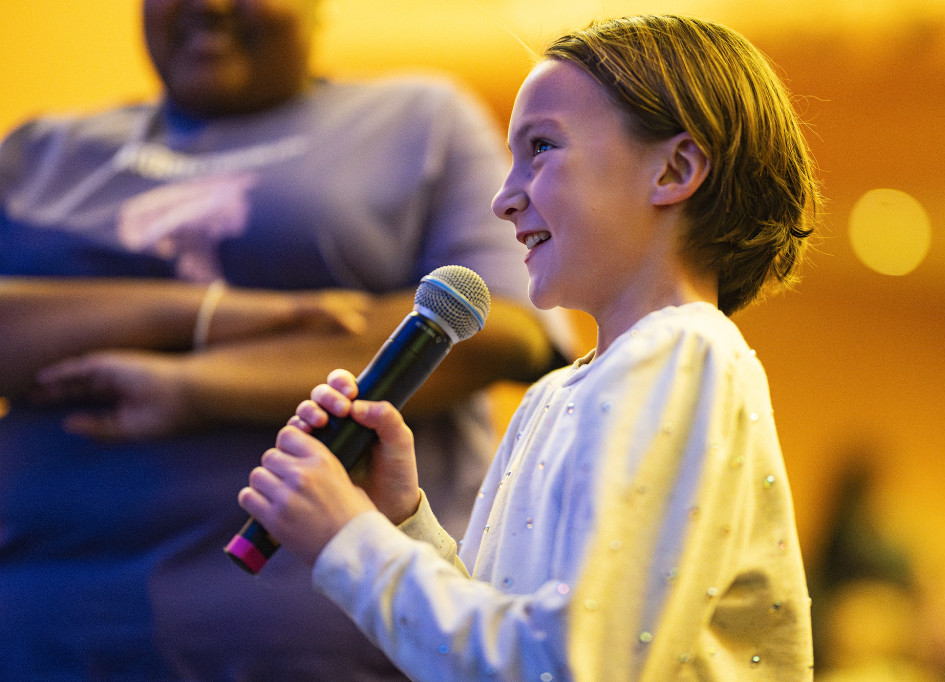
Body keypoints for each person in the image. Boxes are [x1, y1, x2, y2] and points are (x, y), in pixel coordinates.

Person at [239, 13, 822, 682]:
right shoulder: (556, 394)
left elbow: (571, 665)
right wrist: (398, 520)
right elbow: (507, 642)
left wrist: (351, 542)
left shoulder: (683, 350)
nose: (502, 199)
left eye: (541, 147)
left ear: (676, 169)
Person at [0, 0, 565, 679]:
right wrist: (217, 315)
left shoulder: (418, 120)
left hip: (324, 641)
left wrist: (190, 388)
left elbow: (497, 326)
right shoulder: (42, 151)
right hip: (46, 636)